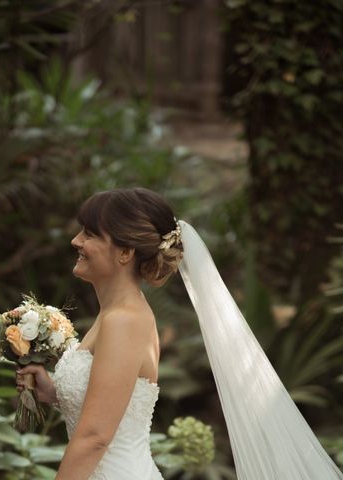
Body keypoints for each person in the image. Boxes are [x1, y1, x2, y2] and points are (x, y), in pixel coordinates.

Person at [18, 187, 343, 479]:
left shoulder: (125, 321)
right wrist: (53, 393)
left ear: (125, 252)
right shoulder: (116, 314)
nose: (76, 241)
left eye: (89, 234)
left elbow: (95, 438)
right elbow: (110, 409)